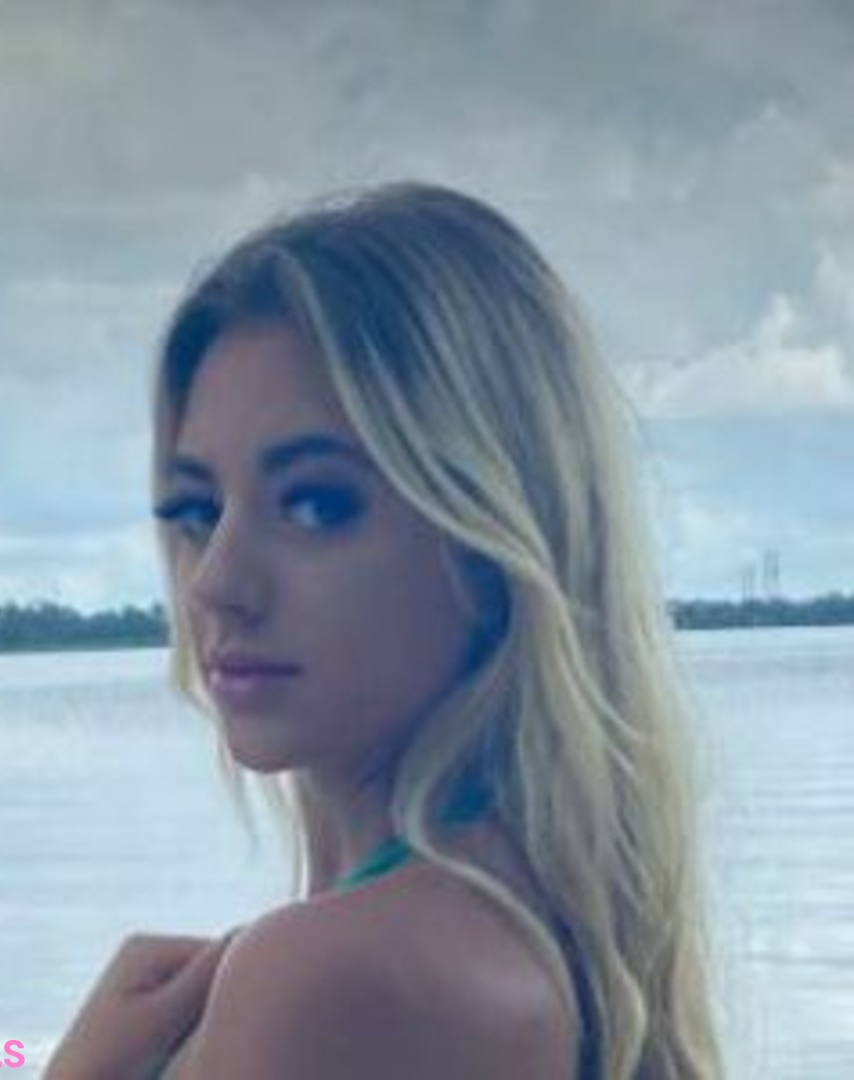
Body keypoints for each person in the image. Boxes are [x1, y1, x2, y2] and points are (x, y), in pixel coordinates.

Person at [44, 182, 724, 1079]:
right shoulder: (532, 919)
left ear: (492, 544)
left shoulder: (335, 976)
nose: (216, 583)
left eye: (316, 504)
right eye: (197, 511)